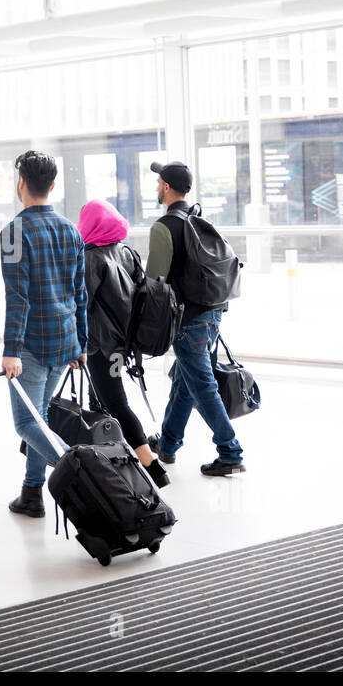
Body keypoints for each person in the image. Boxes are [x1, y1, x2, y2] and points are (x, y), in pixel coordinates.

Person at [144, 160, 245, 477]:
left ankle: (230, 452)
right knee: (184, 381)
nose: (157, 187)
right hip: (212, 314)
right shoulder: (198, 220)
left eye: (159, 182)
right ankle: (168, 445)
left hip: (188, 322)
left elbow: (154, 282)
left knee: (202, 385)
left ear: (167, 188)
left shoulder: (165, 227)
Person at [1, 150, 87, 518]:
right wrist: (81, 343)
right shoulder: (71, 229)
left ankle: (82, 472)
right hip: (65, 340)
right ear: (52, 186)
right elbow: (80, 292)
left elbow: (17, 299)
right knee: (39, 418)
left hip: (32, 346)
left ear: (21, 183)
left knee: (26, 422)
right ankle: (32, 493)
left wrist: (11, 350)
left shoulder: (13, 233)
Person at [77, 199, 171, 489]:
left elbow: (82, 304)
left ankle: (151, 466)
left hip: (98, 345)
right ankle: (111, 464)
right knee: (103, 403)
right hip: (122, 344)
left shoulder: (90, 259)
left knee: (116, 403)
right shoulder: (126, 253)